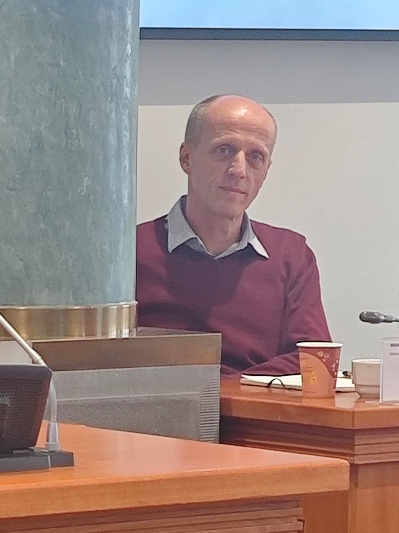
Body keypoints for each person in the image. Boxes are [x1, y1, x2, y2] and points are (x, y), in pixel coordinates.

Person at [134, 94, 330, 377]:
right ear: (186, 158)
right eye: (224, 150)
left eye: (255, 157)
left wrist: (225, 393)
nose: (239, 170)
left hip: (256, 405)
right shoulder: (131, 253)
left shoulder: (291, 255)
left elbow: (314, 358)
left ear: (266, 171)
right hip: (159, 405)